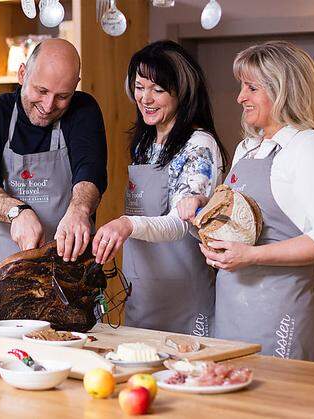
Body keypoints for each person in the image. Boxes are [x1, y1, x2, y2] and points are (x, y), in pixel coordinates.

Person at [177, 41, 314, 361]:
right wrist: (202, 210)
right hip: (231, 312)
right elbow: (238, 228)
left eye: (251, 87)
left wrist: (253, 256)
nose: (240, 97)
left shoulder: (310, 148)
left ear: (283, 90)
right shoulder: (249, 148)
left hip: (280, 315)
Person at [92, 40, 227, 335]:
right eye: (139, 87)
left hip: (184, 297)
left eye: (158, 89)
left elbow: (179, 224)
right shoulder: (145, 143)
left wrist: (126, 224)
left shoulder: (199, 146)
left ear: (182, 92)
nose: (146, 98)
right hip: (142, 292)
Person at [0, 39, 108, 296]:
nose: (49, 105)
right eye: (41, 91)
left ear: (75, 88)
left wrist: (80, 210)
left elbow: (91, 171)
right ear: (22, 74)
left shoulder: (83, 110)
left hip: (68, 278)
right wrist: (16, 212)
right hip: (2, 273)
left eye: (62, 96)